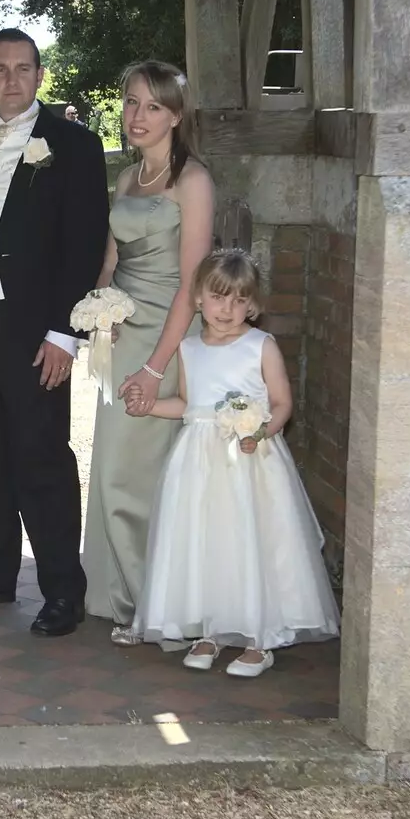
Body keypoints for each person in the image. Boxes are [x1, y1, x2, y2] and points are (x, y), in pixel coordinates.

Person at [0, 28, 110, 637]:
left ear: (39, 74)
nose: (11, 79)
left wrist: (65, 334)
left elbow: (84, 246)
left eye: (23, 68)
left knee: (41, 457)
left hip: (32, 326)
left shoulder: (74, 145)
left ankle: (63, 586)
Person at [130, 250, 340, 675]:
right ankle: (210, 630)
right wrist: (149, 407)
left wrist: (262, 431)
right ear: (198, 299)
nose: (227, 309)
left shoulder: (260, 346)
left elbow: (282, 404)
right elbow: (190, 405)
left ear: (252, 304)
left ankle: (258, 639)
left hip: (250, 461)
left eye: (239, 300)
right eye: (218, 297)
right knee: (207, 541)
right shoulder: (189, 349)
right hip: (200, 462)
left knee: (249, 540)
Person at [83, 61, 215, 643]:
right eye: (131, 103)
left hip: (169, 337)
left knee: (149, 476)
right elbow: (111, 262)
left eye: (152, 107)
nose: (137, 117)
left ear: (177, 116)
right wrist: (99, 315)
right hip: (122, 334)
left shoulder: (193, 181)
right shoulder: (127, 177)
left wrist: (156, 365)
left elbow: (193, 283)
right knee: (115, 469)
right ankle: (126, 593)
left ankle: (155, 606)